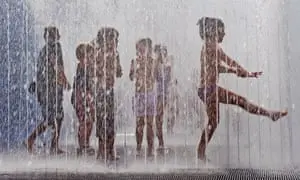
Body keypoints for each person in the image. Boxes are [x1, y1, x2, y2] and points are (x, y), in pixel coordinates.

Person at [196, 17, 288, 161]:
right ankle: (270, 114)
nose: (224, 34)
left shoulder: (213, 46)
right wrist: (236, 71)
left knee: (213, 122)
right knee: (240, 101)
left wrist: (246, 72)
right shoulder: (210, 46)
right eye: (222, 30)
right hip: (209, 89)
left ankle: (200, 153)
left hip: (208, 88)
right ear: (214, 31)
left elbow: (230, 61)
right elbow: (219, 67)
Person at [25, 26, 71, 154]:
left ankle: (53, 145)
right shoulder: (55, 48)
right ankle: (32, 139)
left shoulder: (44, 50)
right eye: (54, 36)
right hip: (50, 89)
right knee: (52, 118)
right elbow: (57, 66)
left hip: (46, 89)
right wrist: (65, 81)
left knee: (57, 117)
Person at [94, 27, 123, 161]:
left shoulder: (115, 54)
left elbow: (118, 72)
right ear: (104, 40)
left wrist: (117, 69)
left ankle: (110, 150)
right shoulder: (99, 53)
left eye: (115, 40)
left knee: (111, 121)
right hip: (100, 92)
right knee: (101, 121)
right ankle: (101, 150)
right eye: (112, 39)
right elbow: (94, 71)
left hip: (109, 91)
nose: (114, 42)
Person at [130, 38, 157, 158]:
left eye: (143, 48)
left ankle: (150, 149)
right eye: (139, 48)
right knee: (140, 123)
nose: (141, 50)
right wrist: (135, 72)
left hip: (150, 93)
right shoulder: (134, 61)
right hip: (139, 94)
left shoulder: (152, 61)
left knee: (150, 123)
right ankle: (139, 147)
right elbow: (131, 77)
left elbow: (157, 76)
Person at [71, 43, 96, 156]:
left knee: (89, 121)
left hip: (86, 96)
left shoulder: (86, 66)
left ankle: (85, 144)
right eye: (90, 54)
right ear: (83, 56)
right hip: (80, 97)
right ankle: (82, 146)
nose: (93, 57)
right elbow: (81, 85)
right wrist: (84, 96)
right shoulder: (82, 66)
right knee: (84, 121)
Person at [153, 44, 173, 148]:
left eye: (163, 52)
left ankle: (160, 140)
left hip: (162, 93)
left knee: (159, 116)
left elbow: (167, 78)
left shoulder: (167, 64)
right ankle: (159, 139)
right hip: (155, 93)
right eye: (159, 52)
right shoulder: (155, 63)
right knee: (157, 117)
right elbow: (155, 77)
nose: (161, 54)